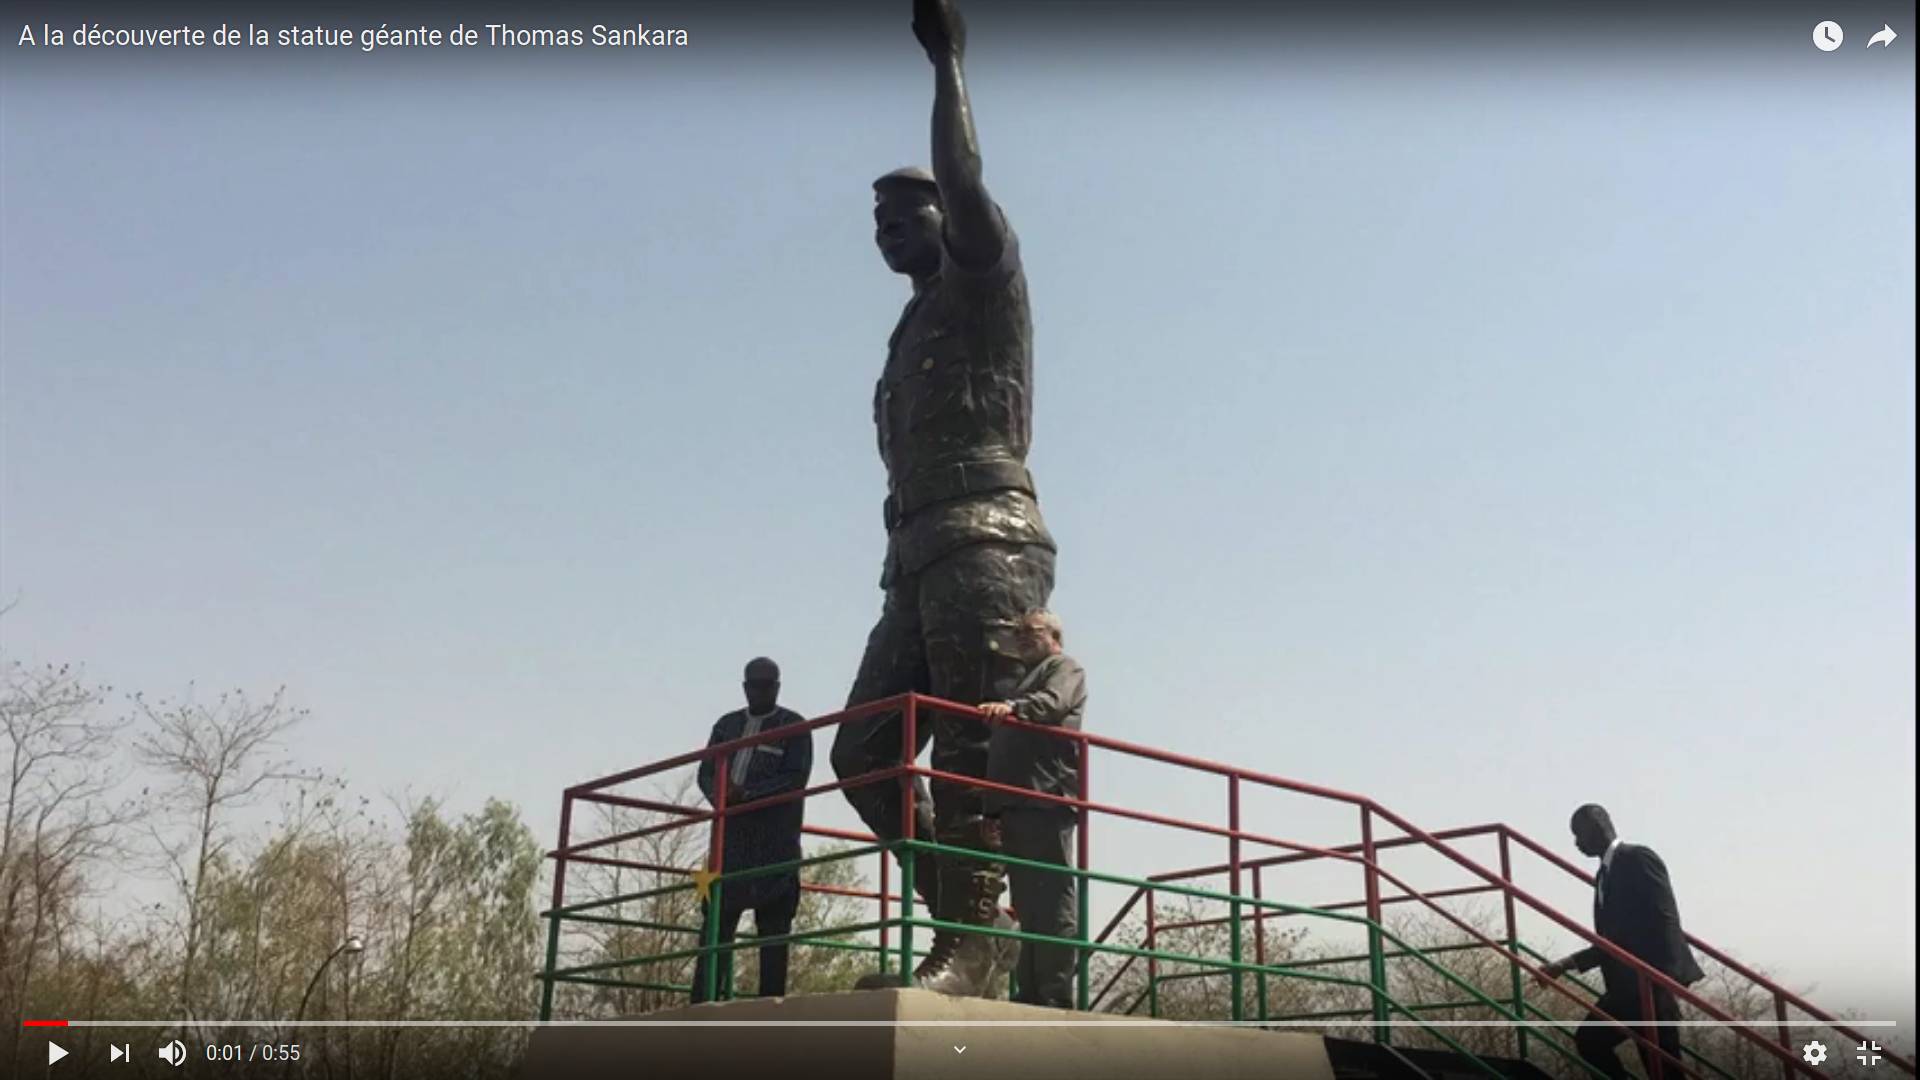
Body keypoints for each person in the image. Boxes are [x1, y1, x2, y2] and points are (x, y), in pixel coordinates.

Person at [832, 0, 1053, 999]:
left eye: (902, 216)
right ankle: (971, 920)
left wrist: (948, 58)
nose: (887, 233)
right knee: (864, 750)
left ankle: (976, 941)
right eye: (877, 221)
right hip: (918, 553)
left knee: (967, 744)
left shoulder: (981, 278)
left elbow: (963, 177)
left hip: (985, 542)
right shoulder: (909, 325)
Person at [1538, 804, 1705, 1079]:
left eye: (1578, 834)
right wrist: (1564, 965)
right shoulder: (1604, 874)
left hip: (1650, 983)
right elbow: (1612, 942)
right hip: (1628, 987)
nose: (1577, 843)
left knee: (1661, 1067)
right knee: (1597, 1045)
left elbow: (1665, 918)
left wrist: (1662, 981)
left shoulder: (1637, 858)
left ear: (1597, 828)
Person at [978, 608, 1087, 1009]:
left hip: (1046, 796)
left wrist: (1013, 708)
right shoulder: (1024, 682)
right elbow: (1003, 752)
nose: (1022, 636)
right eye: (1018, 632)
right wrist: (992, 809)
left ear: (1054, 635)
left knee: (1053, 903)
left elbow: (1054, 704)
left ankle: (1055, 996)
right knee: (1027, 906)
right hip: (1016, 801)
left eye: (1031, 630)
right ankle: (1031, 992)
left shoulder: (1064, 668)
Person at [691, 657, 813, 1003]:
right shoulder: (726, 726)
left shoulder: (794, 727)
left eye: (768, 684)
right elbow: (705, 771)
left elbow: (795, 778)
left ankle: (770, 1005)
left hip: (774, 842)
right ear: (745, 687)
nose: (761, 690)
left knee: (773, 926)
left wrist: (748, 796)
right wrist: (721, 795)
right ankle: (704, 1000)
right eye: (755, 684)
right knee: (716, 922)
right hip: (728, 843)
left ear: (778, 686)